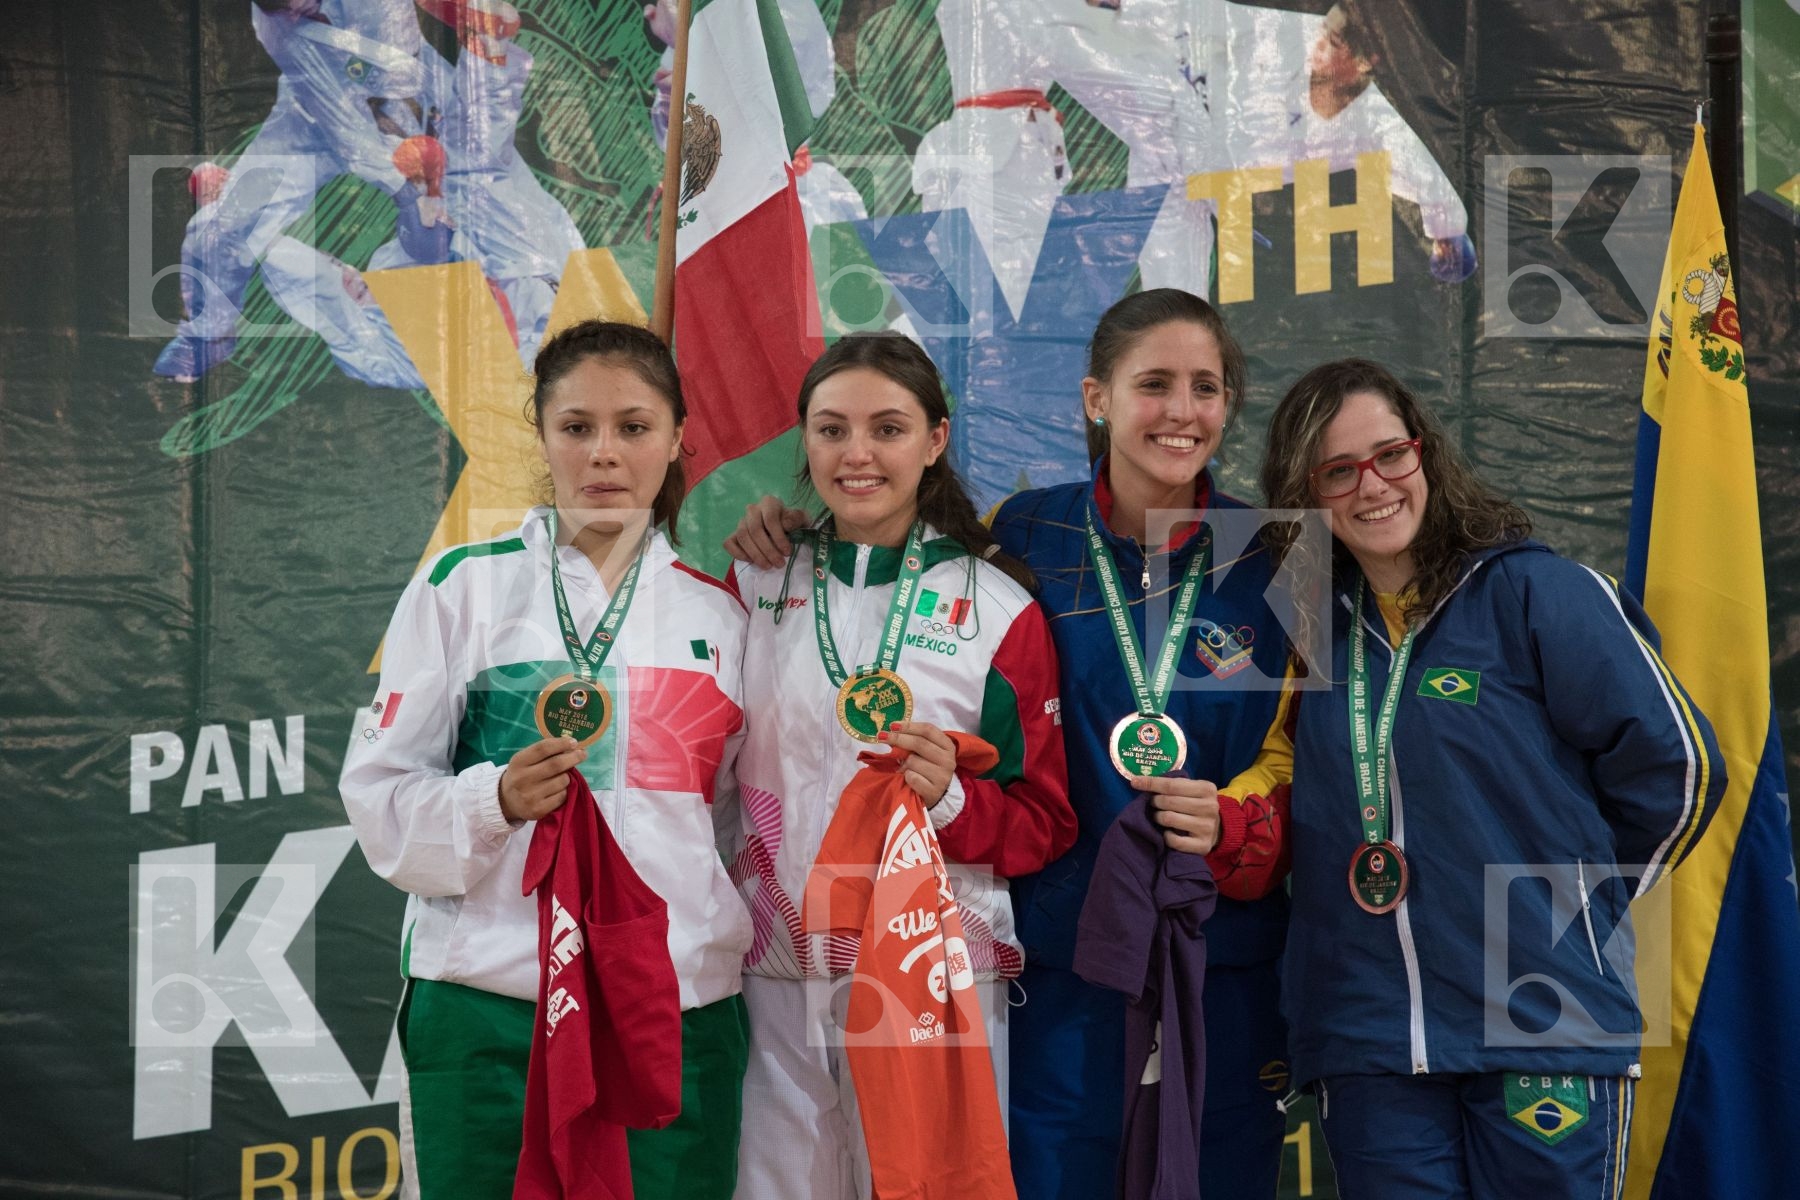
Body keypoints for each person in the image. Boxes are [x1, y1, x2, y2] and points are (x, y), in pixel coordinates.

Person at [724, 290, 1295, 1199]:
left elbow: (1321, 757)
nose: (1181, 411)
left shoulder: (1280, 553)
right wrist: (779, 532)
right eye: (1153, 384)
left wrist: (1240, 824)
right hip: (1066, 958)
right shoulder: (1028, 534)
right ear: (1097, 398)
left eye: (1205, 386)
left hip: (1216, 951)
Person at [1227, 357, 1725, 1197]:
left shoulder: (1539, 592)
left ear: (1426, 454)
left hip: (1539, 1014)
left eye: (1391, 454)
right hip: (1371, 1034)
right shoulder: (1307, 638)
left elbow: (1680, 768)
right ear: (1304, 495)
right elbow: (1274, 782)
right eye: (1338, 471)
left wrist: (1572, 904)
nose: (1373, 485)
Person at [340, 320, 754, 1200]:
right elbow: (379, 796)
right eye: (577, 427)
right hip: (490, 1010)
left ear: (678, 439)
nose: (604, 454)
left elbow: (729, 826)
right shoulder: (465, 586)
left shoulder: (723, 616)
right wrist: (494, 800)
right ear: (541, 433)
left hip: (672, 1011)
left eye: (634, 427)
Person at [721, 333, 1076, 1199]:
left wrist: (951, 799)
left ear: (936, 440)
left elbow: (1045, 821)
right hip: (775, 968)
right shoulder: (749, 585)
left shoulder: (996, 605)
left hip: (930, 968)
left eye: (887, 428)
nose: (858, 454)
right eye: (832, 430)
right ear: (804, 442)